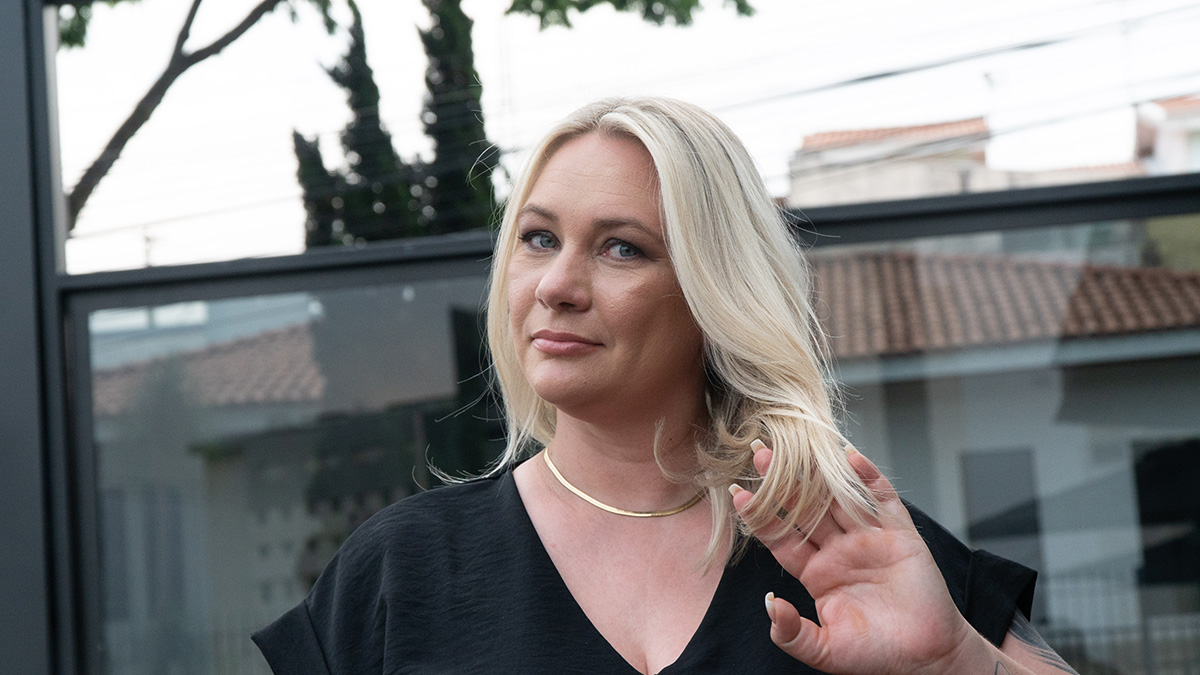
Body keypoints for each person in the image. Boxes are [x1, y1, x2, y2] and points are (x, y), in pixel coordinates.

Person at [253, 97, 1077, 675]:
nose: (557, 285)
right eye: (538, 238)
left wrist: (955, 661)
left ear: (715, 293)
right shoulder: (399, 572)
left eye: (622, 248)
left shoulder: (854, 549)